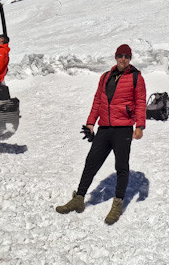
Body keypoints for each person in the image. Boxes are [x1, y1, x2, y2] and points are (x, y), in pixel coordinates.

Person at [56, 44, 146, 225]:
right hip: (104, 128)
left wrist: (140, 126)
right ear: (115, 57)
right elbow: (97, 101)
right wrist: (90, 123)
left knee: (121, 166)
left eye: (127, 56)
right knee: (91, 162)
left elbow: (141, 102)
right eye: (120, 55)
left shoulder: (136, 78)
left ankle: (117, 203)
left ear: (130, 59)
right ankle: (79, 198)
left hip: (123, 129)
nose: (123, 59)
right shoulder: (105, 77)